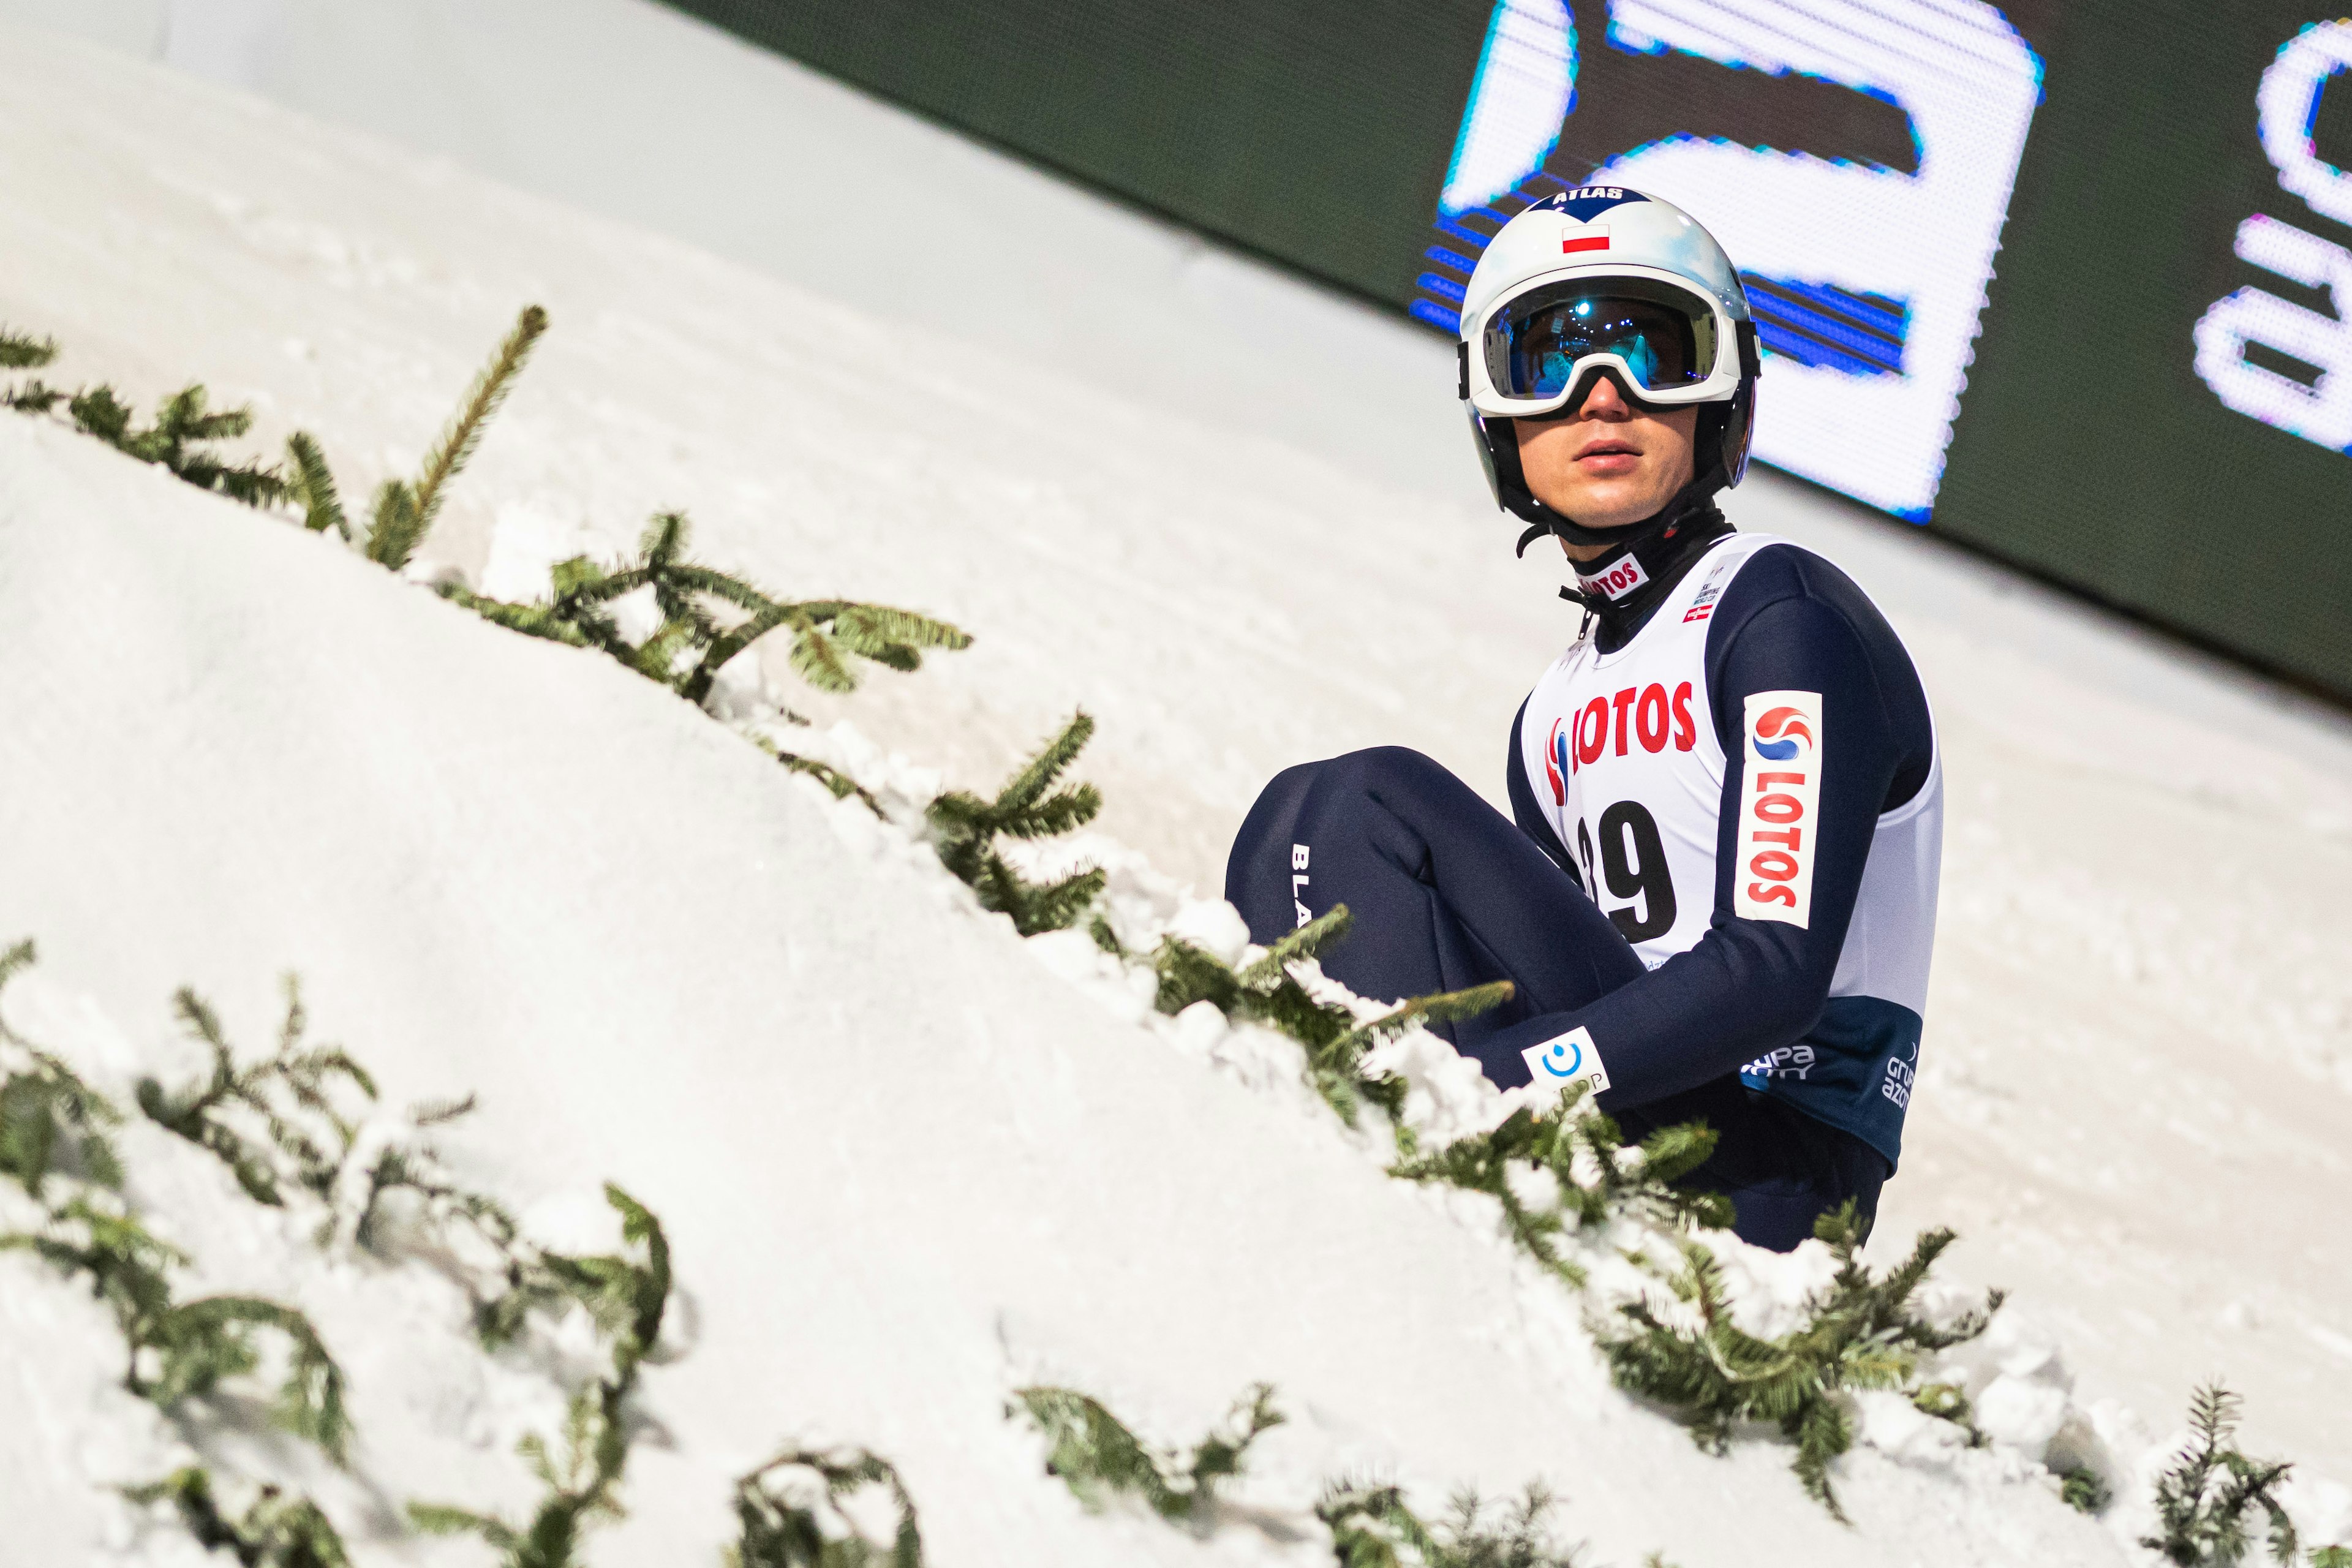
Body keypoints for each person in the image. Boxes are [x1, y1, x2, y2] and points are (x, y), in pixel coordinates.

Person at [1224, 187, 1941, 1251]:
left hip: (1771, 1174)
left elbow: (1774, 970)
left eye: (1654, 352)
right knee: (1298, 817)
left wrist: (1499, 1078)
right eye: (1545, 365)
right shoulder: (1552, 713)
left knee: (1360, 800)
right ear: (1497, 424)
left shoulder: (1780, 615)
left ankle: (1378, 1173)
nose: (1600, 399)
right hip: (1638, 1106)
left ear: (1727, 398)